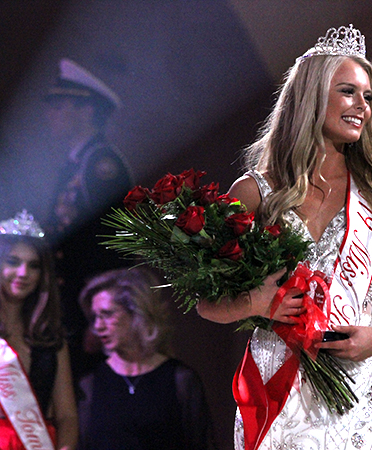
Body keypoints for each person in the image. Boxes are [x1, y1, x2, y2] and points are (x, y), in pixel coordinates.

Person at [195, 24, 372, 450]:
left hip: (353, 384)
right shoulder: (255, 192)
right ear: (312, 96)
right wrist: (255, 303)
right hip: (276, 379)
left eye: (368, 97)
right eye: (348, 92)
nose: (362, 106)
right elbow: (206, 303)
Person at [42, 58, 134, 381]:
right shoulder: (74, 164)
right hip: (69, 305)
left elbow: (115, 249)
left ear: (87, 110)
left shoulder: (101, 164)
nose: (50, 114)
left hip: (89, 313)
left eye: (59, 104)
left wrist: (100, 319)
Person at [76, 267, 216, 450]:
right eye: (95, 317)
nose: (98, 326)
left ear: (137, 313)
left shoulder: (180, 379)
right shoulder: (90, 383)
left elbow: (202, 444)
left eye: (107, 314)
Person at [0, 210, 78, 450]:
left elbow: (67, 416)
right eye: (13, 262)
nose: (23, 273)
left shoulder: (50, 339)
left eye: (33, 265)